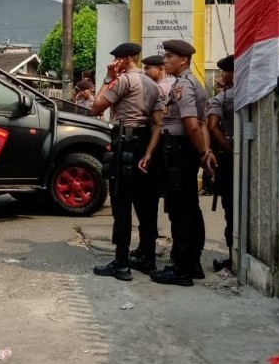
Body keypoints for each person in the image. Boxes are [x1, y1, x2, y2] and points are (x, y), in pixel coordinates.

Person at [89, 42, 163, 281]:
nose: (114, 63)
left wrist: (107, 78)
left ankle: (121, 263)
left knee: (121, 205)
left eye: (116, 59)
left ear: (125, 58)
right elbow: (158, 123)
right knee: (146, 205)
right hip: (145, 147)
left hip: (125, 145)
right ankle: (147, 258)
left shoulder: (122, 81)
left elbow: (95, 107)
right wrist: (150, 153)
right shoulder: (153, 84)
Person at [150, 39, 216, 287]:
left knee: (181, 212)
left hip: (179, 152)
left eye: (169, 56)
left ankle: (182, 269)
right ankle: (192, 263)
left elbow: (191, 124)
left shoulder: (184, 87)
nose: (165, 61)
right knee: (189, 208)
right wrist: (205, 150)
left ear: (183, 60)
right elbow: (200, 124)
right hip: (184, 151)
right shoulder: (189, 84)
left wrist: (202, 153)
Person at [207, 54, 235, 272]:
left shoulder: (223, 98)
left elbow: (212, 125)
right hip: (248, 158)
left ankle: (232, 257)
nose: (221, 76)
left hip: (228, 160)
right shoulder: (252, 94)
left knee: (229, 209)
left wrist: (228, 148)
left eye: (224, 72)